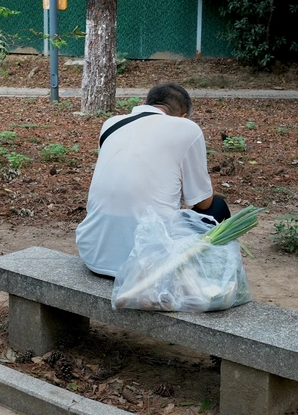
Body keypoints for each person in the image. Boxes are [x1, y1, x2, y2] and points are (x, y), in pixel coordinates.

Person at [75, 83, 230, 277]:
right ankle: (205, 276)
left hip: (94, 255)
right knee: (218, 207)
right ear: (183, 116)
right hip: (150, 263)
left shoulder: (111, 124)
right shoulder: (187, 128)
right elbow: (203, 203)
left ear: (148, 103)